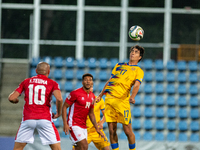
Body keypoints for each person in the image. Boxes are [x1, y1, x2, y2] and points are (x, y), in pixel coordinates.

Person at [96, 45, 145, 150]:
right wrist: (101, 95)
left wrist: (133, 96)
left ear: (139, 57)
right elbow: (110, 81)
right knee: (111, 130)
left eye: (136, 52)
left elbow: (137, 85)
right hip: (109, 100)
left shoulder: (138, 70)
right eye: (132, 51)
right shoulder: (119, 65)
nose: (132, 53)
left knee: (127, 131)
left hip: (122, 101)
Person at [8, 62, 63, 150]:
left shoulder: (26, 81)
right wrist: (58, 113)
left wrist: (16, 100)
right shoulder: (52, 83)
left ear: (36, 71)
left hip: (28, 119)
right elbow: (59, 99)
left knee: (18, 148)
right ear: (48, 72)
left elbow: (11, 98)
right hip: (45, 119)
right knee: (56, 148)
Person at [62, 73, 105, 150]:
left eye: (90, 80)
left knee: (79, 148)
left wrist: (97, 129)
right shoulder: (75, 93)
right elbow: (64, 107)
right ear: (82, 82)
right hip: (74, 124)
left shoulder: (92, 96)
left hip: (83, 126)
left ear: (92, 83)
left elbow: (91, 114)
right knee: (84, 146)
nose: (88, 81)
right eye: (86, 80)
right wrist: (65, 124)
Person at [72, 83, 110, 150]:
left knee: (106, 148)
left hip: (96, 131)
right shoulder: (79, 101)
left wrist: (101, 122)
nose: (90, 88)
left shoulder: (99, 100)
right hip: (84, 131)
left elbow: (106, 114)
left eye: (91, 87)